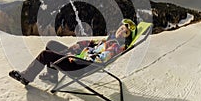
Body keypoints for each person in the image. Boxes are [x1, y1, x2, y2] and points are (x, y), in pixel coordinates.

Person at [9, 19, 137, 86]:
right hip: (78, 58)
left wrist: (76, 57)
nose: (121, 31)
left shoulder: (115, 46)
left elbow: (101, 58)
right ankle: (52, 76)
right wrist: (78, 45)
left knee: (45, 54)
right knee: (51, 44)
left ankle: (26, 77)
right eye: (121, 28)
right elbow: (90, 42)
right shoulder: (109, 39)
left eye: (125, 32)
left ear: (127, 37)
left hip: (78, 65)